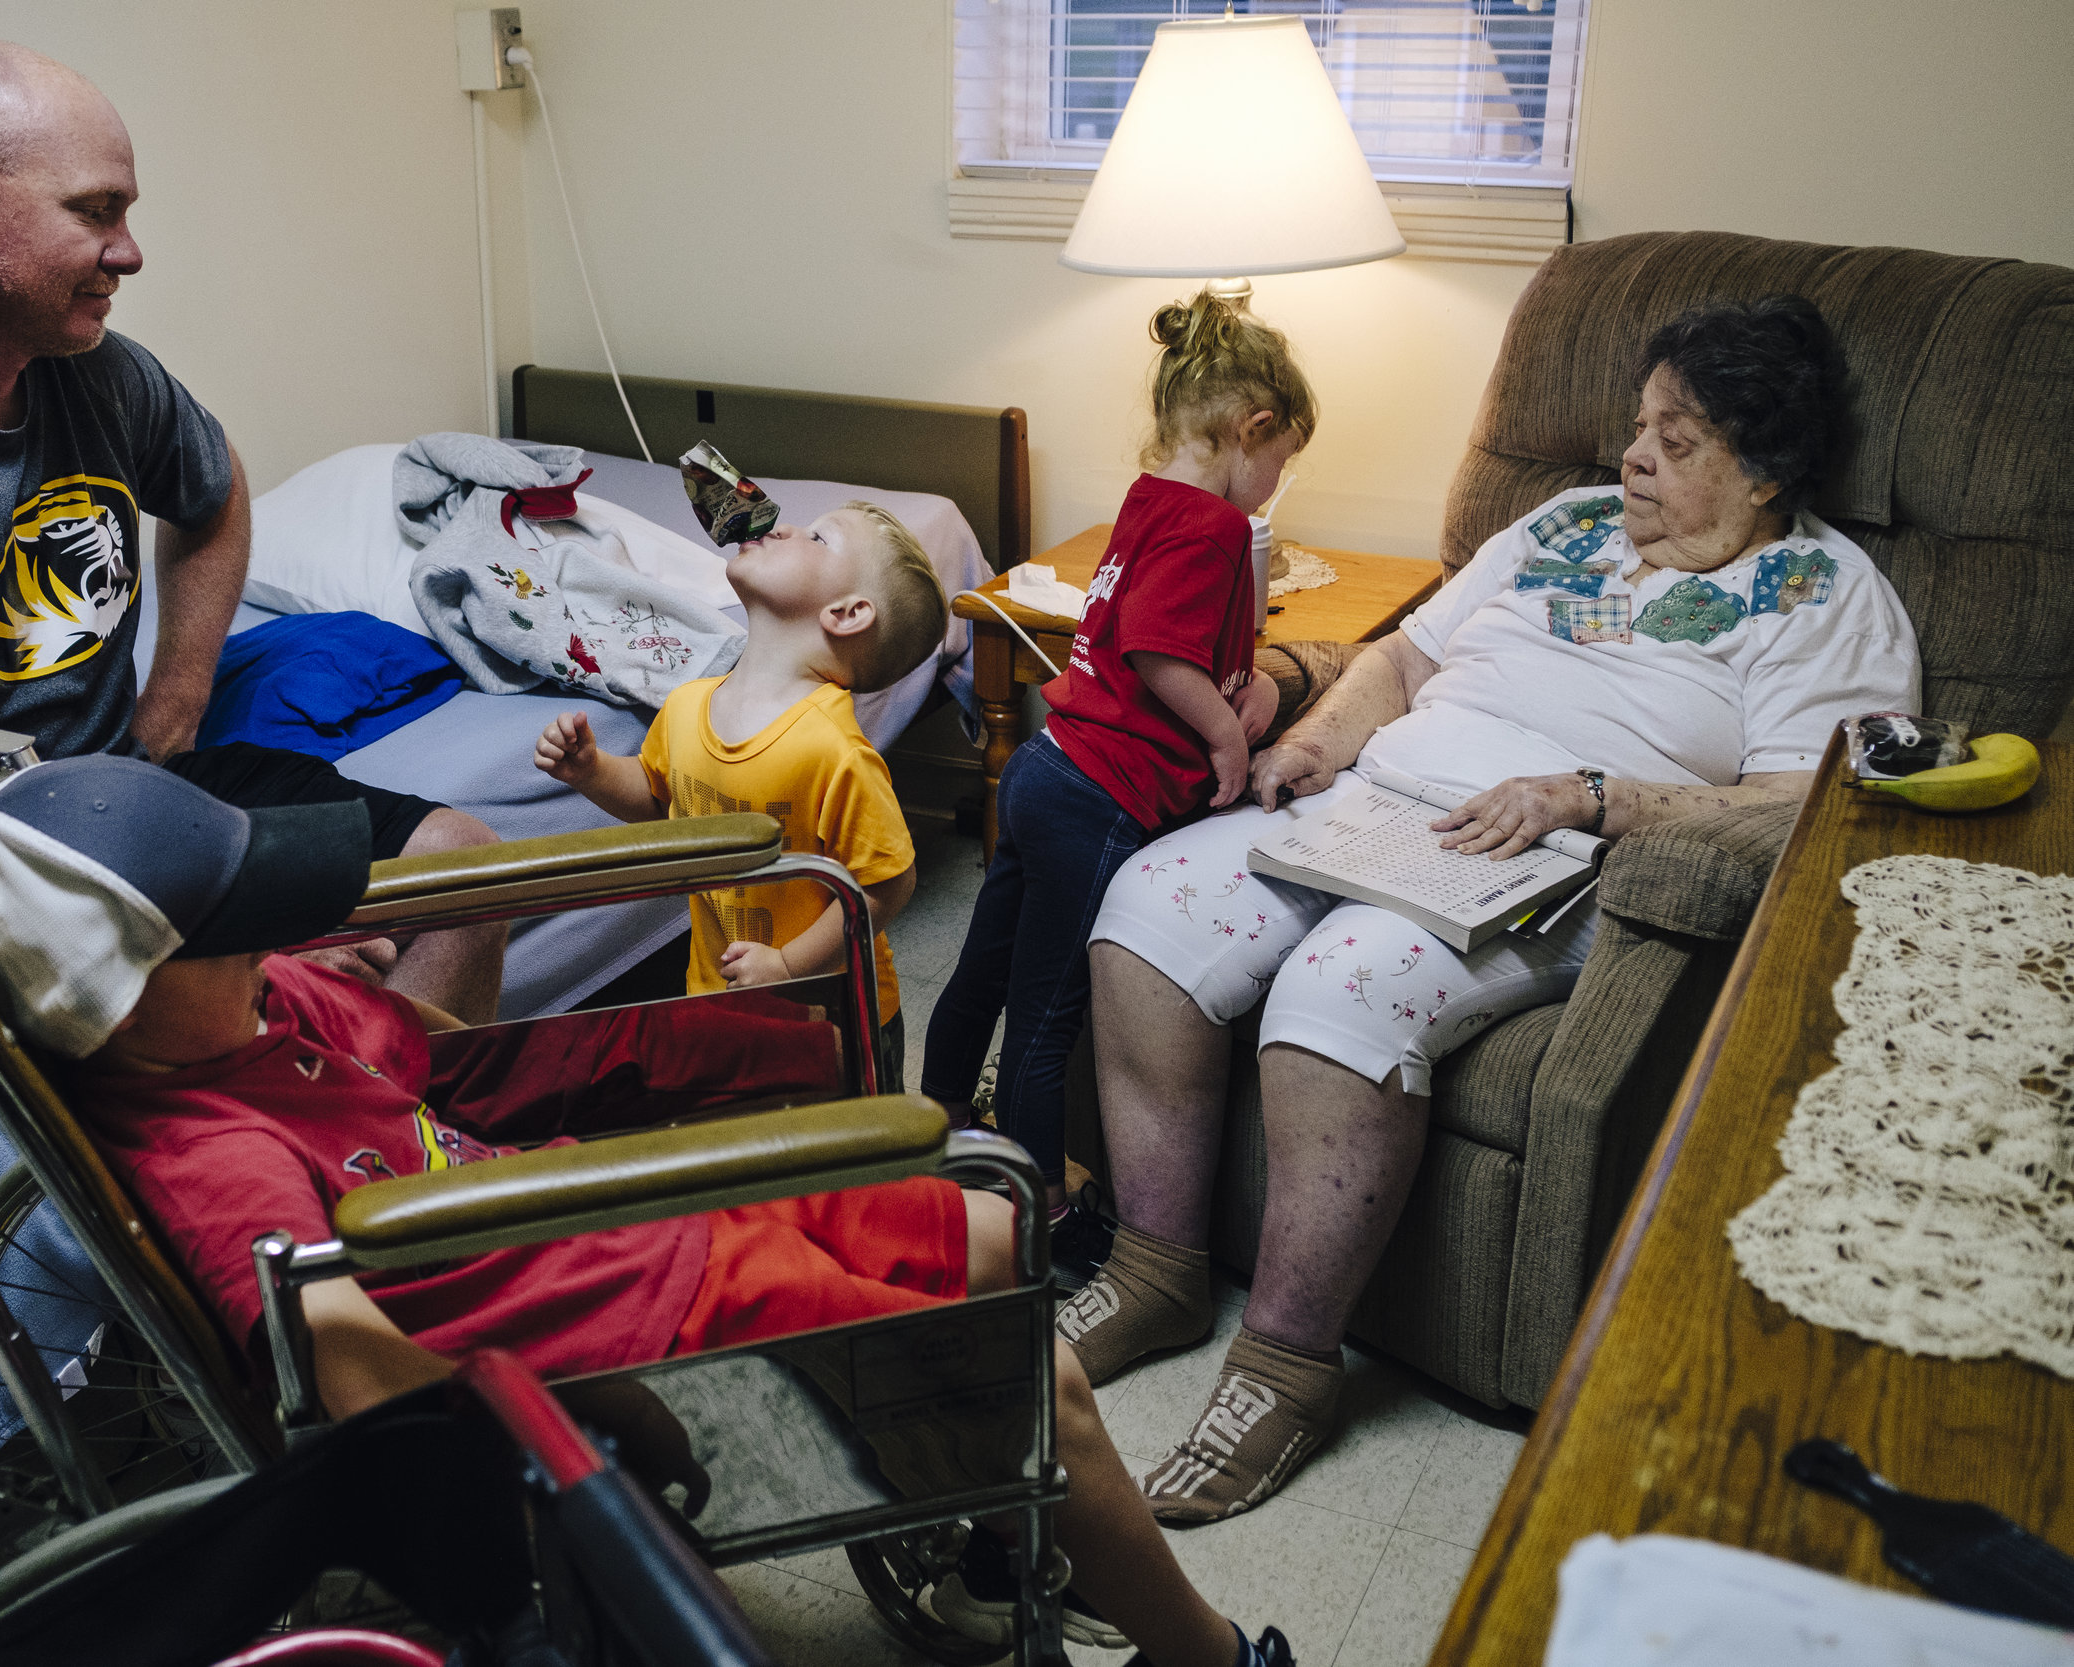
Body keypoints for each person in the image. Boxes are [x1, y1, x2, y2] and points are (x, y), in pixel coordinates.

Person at [0, 752, 1293, 1667]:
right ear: (119, 995)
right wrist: (580, 1433)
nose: (268, 941)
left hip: (621, 1220)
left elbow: (432, 1055)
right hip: (632, 1308)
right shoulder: (210, 1152)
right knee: (1028, 1376)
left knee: (991, 1235)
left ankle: (1003, 1527)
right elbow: (345, 1366)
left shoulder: (242, 1008)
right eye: (232, 927)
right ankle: (1212, 1651)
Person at [1065, 295, 1920, 1524]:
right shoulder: (1564, 520)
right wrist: (1320, 735)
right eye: (1638, 426)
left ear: (1769, 471)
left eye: (1677, 444)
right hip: (1376, 797)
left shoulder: (1828, 595)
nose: (1632, 457)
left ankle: (1287, 1363)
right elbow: (1406, 657)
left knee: (1339, 988)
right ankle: (1155, 1264)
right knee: (1145, 908)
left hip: (1550, 849)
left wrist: (1593, 796)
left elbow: (1804, 800)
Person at [0, 39, 502, 1017]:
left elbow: (213, 493)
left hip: (113, 792)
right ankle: (333, 1129)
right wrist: (250, 937)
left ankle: (408, 1147)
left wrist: (176, 696)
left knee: (462, 871)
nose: (129, 250)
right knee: (260, 991)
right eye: (96, 211)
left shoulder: (94, 373)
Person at [919, 290, 1306, 1279]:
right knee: (1049, 1015)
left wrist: (1241, 676)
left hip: (1046, 765)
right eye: (1281, 462)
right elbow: (1156, 651)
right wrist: (1225, 736)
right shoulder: (1217, 528)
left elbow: (1146, 626)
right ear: (1250, 429)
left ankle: (938, 1125)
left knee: (984, 966)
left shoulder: (1146, 497)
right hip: (1101, 793)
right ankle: (1043, 1208)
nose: (1274, 486)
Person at [533, 504, 943, 1087]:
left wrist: (787, 964)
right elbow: (664, 807)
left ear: (846, 614)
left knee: (849, 1165)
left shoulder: (832, 749)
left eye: (818, 536)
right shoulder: (687, 706)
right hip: (715, 992)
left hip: (831, 1013)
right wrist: (592, 770)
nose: (783, 526)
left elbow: (887, 883)